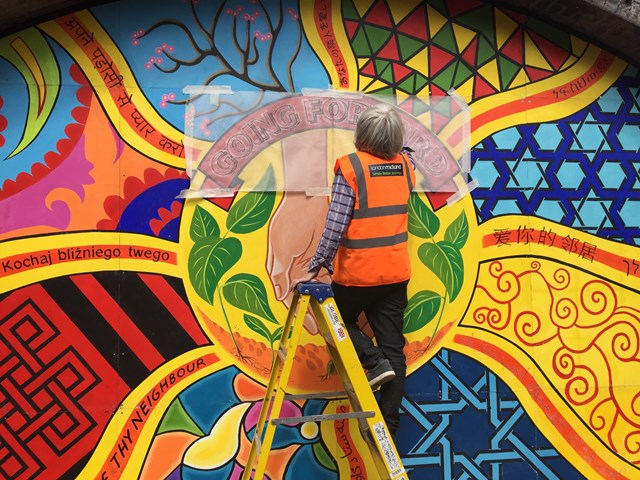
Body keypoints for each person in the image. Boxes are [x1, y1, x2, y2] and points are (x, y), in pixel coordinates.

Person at [292, 102, 415, 440]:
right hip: (395, 275)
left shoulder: (351, 168)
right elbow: (405, 153)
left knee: (333, 323)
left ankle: (372, 360)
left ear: (362, 134)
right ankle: (388, 426)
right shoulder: (405, 165)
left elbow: (335, 226)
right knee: (395, 349)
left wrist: (314, 265)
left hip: (358, 274)